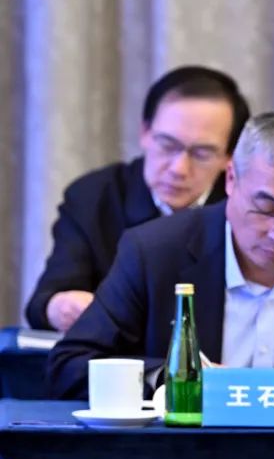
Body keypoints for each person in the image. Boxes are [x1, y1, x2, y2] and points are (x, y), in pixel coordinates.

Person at [46, 111, 274, 400]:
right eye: (265, 208)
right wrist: (173, 379)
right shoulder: (155, 251)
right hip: (189, 452)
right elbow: (70, 366)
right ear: (230, 180)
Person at [25, 66, 251, 332]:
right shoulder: (94, 197)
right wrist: (60, 306)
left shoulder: (246, 208)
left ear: (229, 156)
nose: (179, 169)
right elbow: (46, 299)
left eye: (201, 153)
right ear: (145, 132)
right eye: (167, 145)